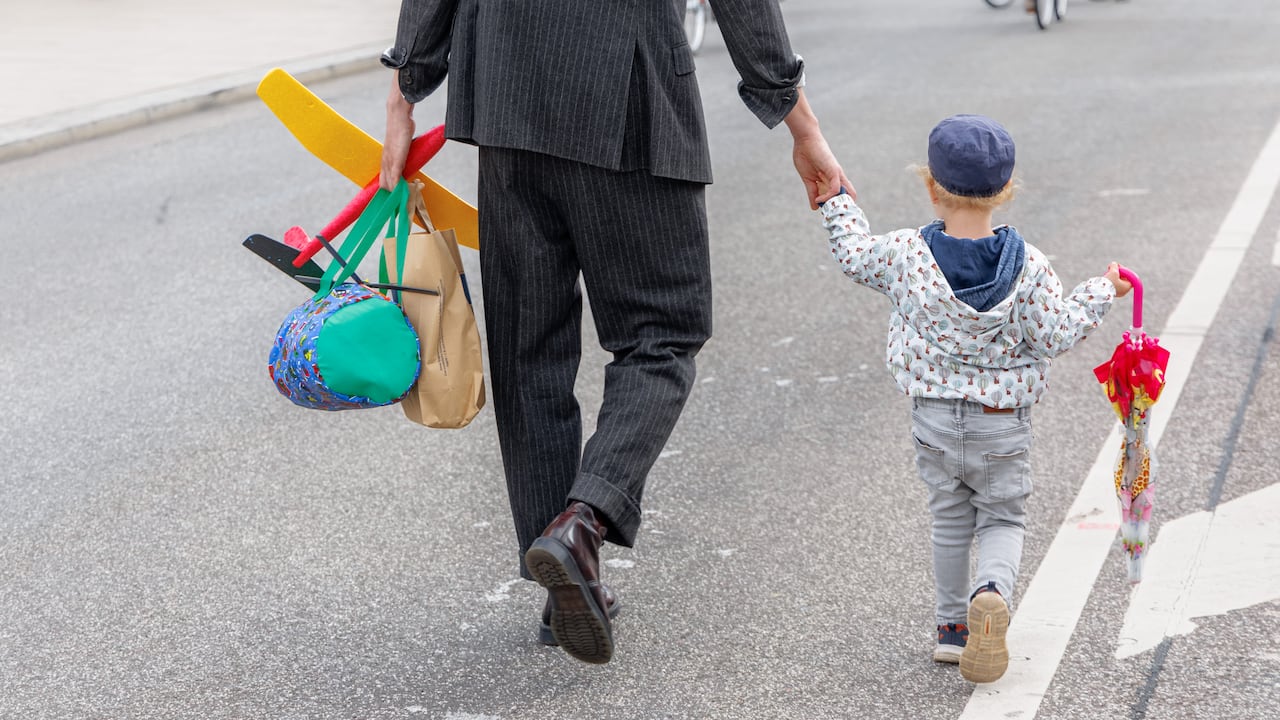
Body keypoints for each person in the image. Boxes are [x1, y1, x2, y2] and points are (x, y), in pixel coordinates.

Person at [378, 0, 850, 665]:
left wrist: (405, 91)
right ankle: (582, 525)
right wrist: (801, 123)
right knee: (662, 335)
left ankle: (561, 580)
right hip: (628, 95)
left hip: (505, 95)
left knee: (528, 348)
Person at [816, 114, 1130, 683]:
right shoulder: (1029, 266)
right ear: (1006, 190)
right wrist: (1102, 289)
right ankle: (992, 593)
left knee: (949, 520)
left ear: (931, 185)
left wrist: (836, 200)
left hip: (934, 420)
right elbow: (1055, 333)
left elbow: (853, 254)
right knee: (1003, 519)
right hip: (1001, 421)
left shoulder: (904, 254)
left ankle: (951, 631)